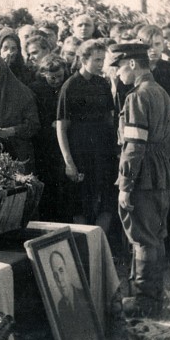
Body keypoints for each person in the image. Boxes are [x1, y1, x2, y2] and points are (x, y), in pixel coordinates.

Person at [111, 43, 170, 317]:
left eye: (119, 66)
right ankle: (153, 298)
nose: (117, 73)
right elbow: (168, 143)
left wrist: (125, 185)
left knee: (142, 239)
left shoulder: (137, 97)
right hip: (161, 174)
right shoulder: (160, 92)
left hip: (143, 178)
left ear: (133, 64)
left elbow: (134, 146)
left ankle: (143, 302)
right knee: (155, 237)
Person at [56, 40, 115, 226]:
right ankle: (84, 250)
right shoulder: (70, 85)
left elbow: (109, 119)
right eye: (97, 60)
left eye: (102, 60)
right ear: (83, 59)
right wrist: (69, 162)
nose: (101, 64)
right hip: (80, 152)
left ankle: (99, 247)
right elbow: (61, 127)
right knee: (80, 204)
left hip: (103, 151)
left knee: (104, 201)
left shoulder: (103, 84)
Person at [29, 54, 68, 221]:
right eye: (52, 77)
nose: (56, 80)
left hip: (62, 142)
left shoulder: (67, 86)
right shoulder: (36, 89)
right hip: (44, 142)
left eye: (60, 76)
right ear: (44, 74)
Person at [49, 249, 97, 340]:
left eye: (61, 271)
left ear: (67, 271)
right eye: (55, 275)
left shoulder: (84, 295)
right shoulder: (61, 306)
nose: (60, 280)